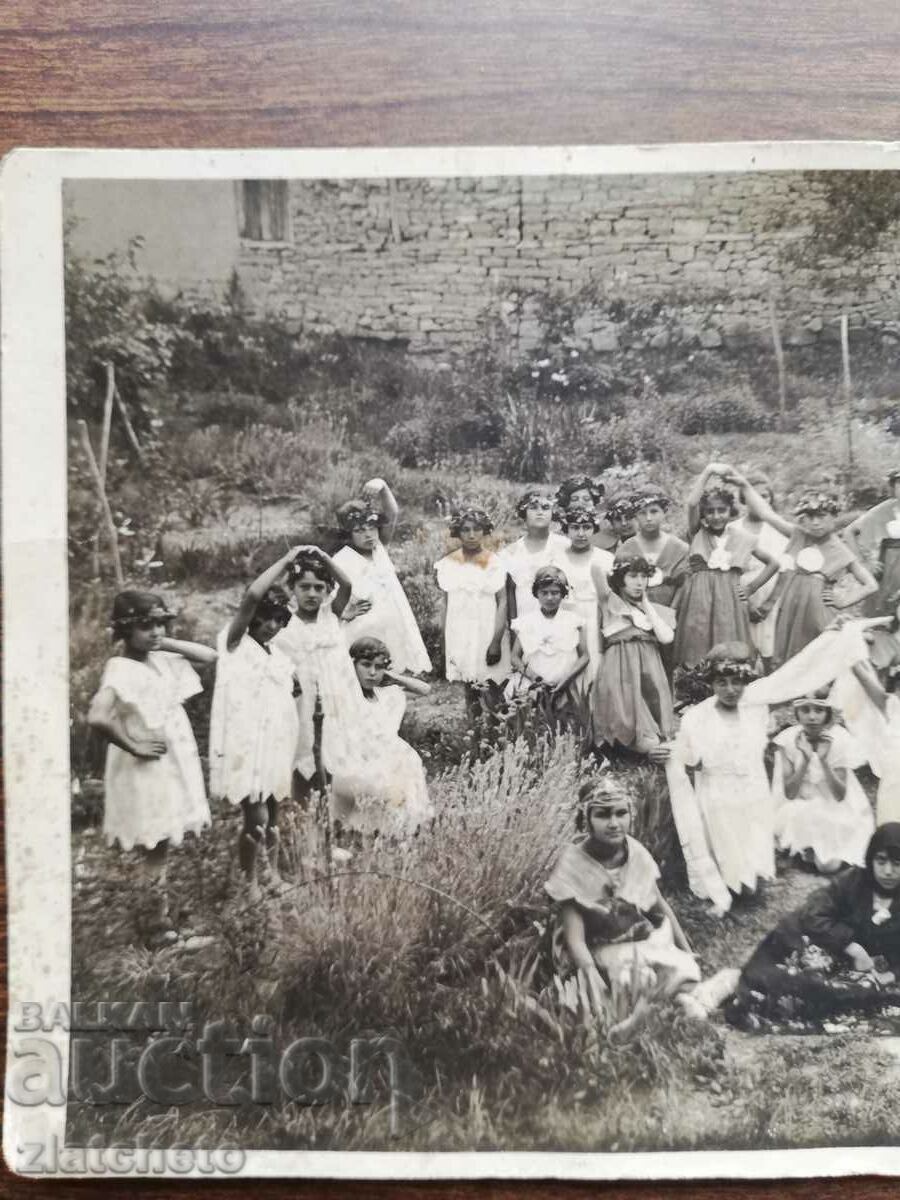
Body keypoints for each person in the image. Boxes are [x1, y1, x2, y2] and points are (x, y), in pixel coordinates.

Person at [87, 591, 216, 947]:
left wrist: (161, 640)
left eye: (160, 623)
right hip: (147, 766)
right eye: (146, 626)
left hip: (171, 761)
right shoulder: (121, 668)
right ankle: (157, 928)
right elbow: (98, 716)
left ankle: (159, 915)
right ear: (124, 630)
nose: (155, 631)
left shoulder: (158, 658)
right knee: (155, 843)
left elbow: (209, 656)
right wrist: (134, 744)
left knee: (162, 842)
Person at [545, 778, 700, 1028]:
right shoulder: (572, 864)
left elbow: (660, 906)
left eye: (621, 813)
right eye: (603, 815)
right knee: (629, 977)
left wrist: (686, 949)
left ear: (631, 814)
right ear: (586, 819)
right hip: (592, 949)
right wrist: (591, 977)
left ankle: (670, 999)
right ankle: (641, 1010)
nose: (614, 823)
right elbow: (575, 940)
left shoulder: (635, 852)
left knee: (681, 967)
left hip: (631, 937)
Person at [726, 824, 900, 1030]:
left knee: (859, 994)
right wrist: (853, 947)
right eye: (881, 861)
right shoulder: (854, 881)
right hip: (819, 943)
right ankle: (740, 991)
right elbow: (813, 914)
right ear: (870, 860)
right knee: (793, 978)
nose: (888, 871)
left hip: (859, 969)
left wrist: (892, 975)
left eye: (897, 863)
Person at [208, 550, 302, 897]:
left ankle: (272, 874)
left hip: (274, 742)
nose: (273, 627)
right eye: (267, 619)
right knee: (256, 816)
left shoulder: (277, 656)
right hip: (246, 744)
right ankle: (248, 881)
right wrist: (286, 560)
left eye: (279, 621)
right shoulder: (235, 644)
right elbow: (251, 595)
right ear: (252, 618)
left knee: (275, 813)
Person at [666, 644, 773, 913]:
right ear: (711, 684)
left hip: (751, 789)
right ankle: (722, 878)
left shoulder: (755, 710)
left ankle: (746, 874)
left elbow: (798, 676)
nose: (730, 690)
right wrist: (669, 753)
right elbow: (690, 757)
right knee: (724, 830)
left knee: (749, 887)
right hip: (717, 793)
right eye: (722, 683)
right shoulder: (697, 717)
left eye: (737, 682)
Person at [734, 477, 878, 665]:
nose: (816, 523)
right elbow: (767, 513)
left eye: (821, 516)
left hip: (817, 612)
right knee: (790, 659)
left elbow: (870, 584)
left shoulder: (838, 549)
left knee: (816, 658)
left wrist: (843, 600)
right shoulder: (799, 535)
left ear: (833, 516)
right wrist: (744, 485)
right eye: (810, 517)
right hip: (791, 609)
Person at [273, 545, 367, 804]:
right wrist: (290, 559)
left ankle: (333, 814)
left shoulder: (331, 614)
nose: (312, 594)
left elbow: (346, 584)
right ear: (293, 589)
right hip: (301, 698)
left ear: (327, 591)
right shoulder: (284, 619)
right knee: (302, 754)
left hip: (335, 694)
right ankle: (304, 813)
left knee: (334, 753)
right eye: (304, 587)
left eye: (318, 588)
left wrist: (322, 556)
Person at [672, 469, 780, 669]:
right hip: (699, 601)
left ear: (730, 511)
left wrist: (751, 588)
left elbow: (774, 563)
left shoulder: (743, 538)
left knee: (729, 649)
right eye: (710, 511)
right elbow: (692, 503)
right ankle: (698, 692)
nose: (715, 516)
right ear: (704, 514)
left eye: (721, 510)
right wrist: (708, 471)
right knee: (698, 647)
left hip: (729, 602)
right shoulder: (698, 533)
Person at [330, 637, 432, 837]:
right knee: (382, 770)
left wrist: (393, 677)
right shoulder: (347, 692)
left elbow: (425, 689)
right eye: (366, 665)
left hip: (387, 748)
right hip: (357, 749)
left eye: (378, 667)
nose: (372, 673)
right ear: (353, 665)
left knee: (407, 761)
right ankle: (360, 825)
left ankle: (397, 826)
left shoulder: (386, 694)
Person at [334, 478, 432, 675]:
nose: (368, 534)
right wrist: (343, 612)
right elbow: (328, 598)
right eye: (360, 530)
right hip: (362, 629)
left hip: (392, 623)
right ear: (348, 534)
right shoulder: (341, 560)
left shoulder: (379, 549)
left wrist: (383, 486)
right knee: (364, 677)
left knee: (391, 676)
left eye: (371, 528)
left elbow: (392, 512)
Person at [772, 695, 874, 873]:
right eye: (805, 710)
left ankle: (814, 848)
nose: (812, 717)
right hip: (800, 804)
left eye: (818, 710)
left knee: (828, 866)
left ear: (827, 713)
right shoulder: (787, 739)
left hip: (834, 806)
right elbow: (789, 793)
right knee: (802, 815)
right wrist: (804, 758)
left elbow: (839, 795)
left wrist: (823, 760)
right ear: (797, 712)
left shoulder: (840, 738)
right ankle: (807, 845)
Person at [592, 556, 677, 761]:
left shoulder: (650, 611)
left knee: (655, 708)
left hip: (649, 667)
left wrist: (645, 602)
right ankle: (634, 750)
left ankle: (651, 747)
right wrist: (617, 572)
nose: (639, 582)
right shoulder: (609, 603)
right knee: (627, 714)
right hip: (621, 667)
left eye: (643, 576)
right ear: (621, 579)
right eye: (632, 576)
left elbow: (666, 637)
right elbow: (596, 569)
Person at [434, 506, 509, 683]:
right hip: (460, 630)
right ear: (457, 532)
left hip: (486, 629)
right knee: (467, 680)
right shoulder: (448, 563)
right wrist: (445, 639)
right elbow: (446, 605)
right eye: (466, 530)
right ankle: (471, 711)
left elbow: (503, 602)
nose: (472, 535)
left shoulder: (494, 562)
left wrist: (496, 641)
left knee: (491, 681)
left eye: (477, 529)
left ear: (484, 531)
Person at [505, 566, 590, 718]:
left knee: (563, 726)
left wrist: (565, 681)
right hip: (532, 685)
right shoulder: (526, 622)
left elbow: (584, 656)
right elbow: (514, 657)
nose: (550, 597)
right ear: (536, 593)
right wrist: (536, 680)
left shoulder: (573, 621)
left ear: (563, 594)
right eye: (544, 593)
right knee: (533, 722)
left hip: (564, 684)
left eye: (555, 592)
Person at [728, 471, 788, 672]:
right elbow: (726, 570)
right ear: (744, 497)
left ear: (771, 498)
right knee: (744, 657)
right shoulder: (732, 528)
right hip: (740, 596)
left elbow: (787, 568)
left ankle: (776, 699)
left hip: (774, 599)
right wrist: (745, 605)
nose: (760, 500)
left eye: (765, 496)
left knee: (774, 658)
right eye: (754, 494)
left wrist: (769, 604)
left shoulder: (779, 528)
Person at [552, 505, 614, 687]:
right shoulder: (556, 559)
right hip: (566, 617)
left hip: (596, 618)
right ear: (566, 530)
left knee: (595, 663)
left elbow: (610, 597)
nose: (581, 533)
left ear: (594, 529)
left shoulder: (605, 559)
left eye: (586, 527)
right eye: (575, 528)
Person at [498, 487, 569, 630]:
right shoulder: (509, 553)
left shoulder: (565, 547)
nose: (540, 512)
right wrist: (514, 630)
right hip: (525, 626)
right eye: (533, 507)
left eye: (545, 507)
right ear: (524, 512)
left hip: (561, 627)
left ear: (552, 512)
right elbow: (510, 595)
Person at [614, 489, 689, 608]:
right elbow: (620, 589)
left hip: (672, 615)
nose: (648, 518)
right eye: (642, 513)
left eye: (654, 511)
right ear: (635, 515)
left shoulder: (680, 549)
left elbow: (684, 587)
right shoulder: (626, 549)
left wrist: (671, 614)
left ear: (664, 513)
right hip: (635, 615)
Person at [844, 470, 900, 616]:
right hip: (890, 572)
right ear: (893, 487)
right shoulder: (884, 510)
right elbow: (849, 532)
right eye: (899, 483)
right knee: (883, 620)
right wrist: (863, 562)